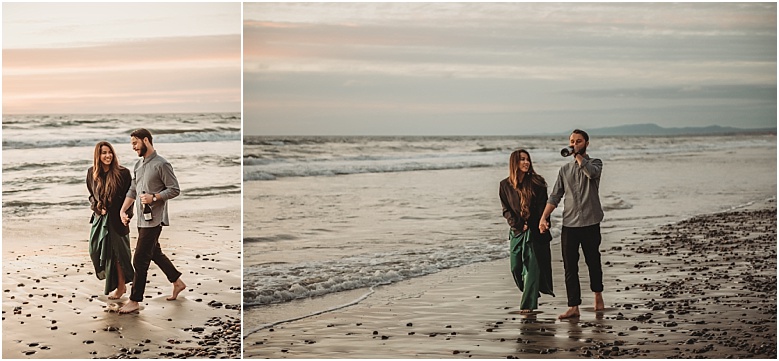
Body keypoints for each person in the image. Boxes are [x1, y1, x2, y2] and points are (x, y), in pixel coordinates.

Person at [118, 128, 186, 314]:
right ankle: (177, 282)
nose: (133, 147)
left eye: (135, 143)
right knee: (154, 252)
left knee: (139, 259)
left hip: (154, 220)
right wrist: (123, 210)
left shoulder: (162, 164)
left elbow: (174, 189)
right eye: (132, 143)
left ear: (146, 140)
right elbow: (133, 190)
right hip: (141, 218)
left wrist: (154, 197)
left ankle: (134, 300)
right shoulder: (138, 165)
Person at [539, 129, 605, 319]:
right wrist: (544, 217)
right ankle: (573, 306)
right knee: (570, 267)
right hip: (570, 224)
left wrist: (577, 157)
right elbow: (555, 196)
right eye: (571, 142)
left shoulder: (595, 163)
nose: (574, 144)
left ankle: (597, 294)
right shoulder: (564, 170)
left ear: (586, 143)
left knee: (593, 262)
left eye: (578, 141)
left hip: (591, 222)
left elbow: (591, 174)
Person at [499, 149, 554, 313]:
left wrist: (544, 223)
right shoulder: (504, 185)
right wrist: (516, 224)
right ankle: (532, 290)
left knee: (531, 269)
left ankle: (527, 306)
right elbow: (506, 210)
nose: (526, 162)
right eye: (522, 159)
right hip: (517, 232)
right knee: (515, 268)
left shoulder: (538, 182)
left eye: (527, 159)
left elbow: (544, 206)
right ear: (514, 163)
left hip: (535, 232)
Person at [87, 141, 135, 300]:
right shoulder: (91, 173)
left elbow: (131, 197)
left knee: (118, 255)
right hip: (100, 220)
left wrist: (127, 215)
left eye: (110, 152)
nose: (107, 156)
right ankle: (116, 284)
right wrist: (97, 208)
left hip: (117, 220)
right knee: (96, 251)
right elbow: (91, 197)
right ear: (98, 156)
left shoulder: (123, 173)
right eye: (103, 153)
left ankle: (121, 287)